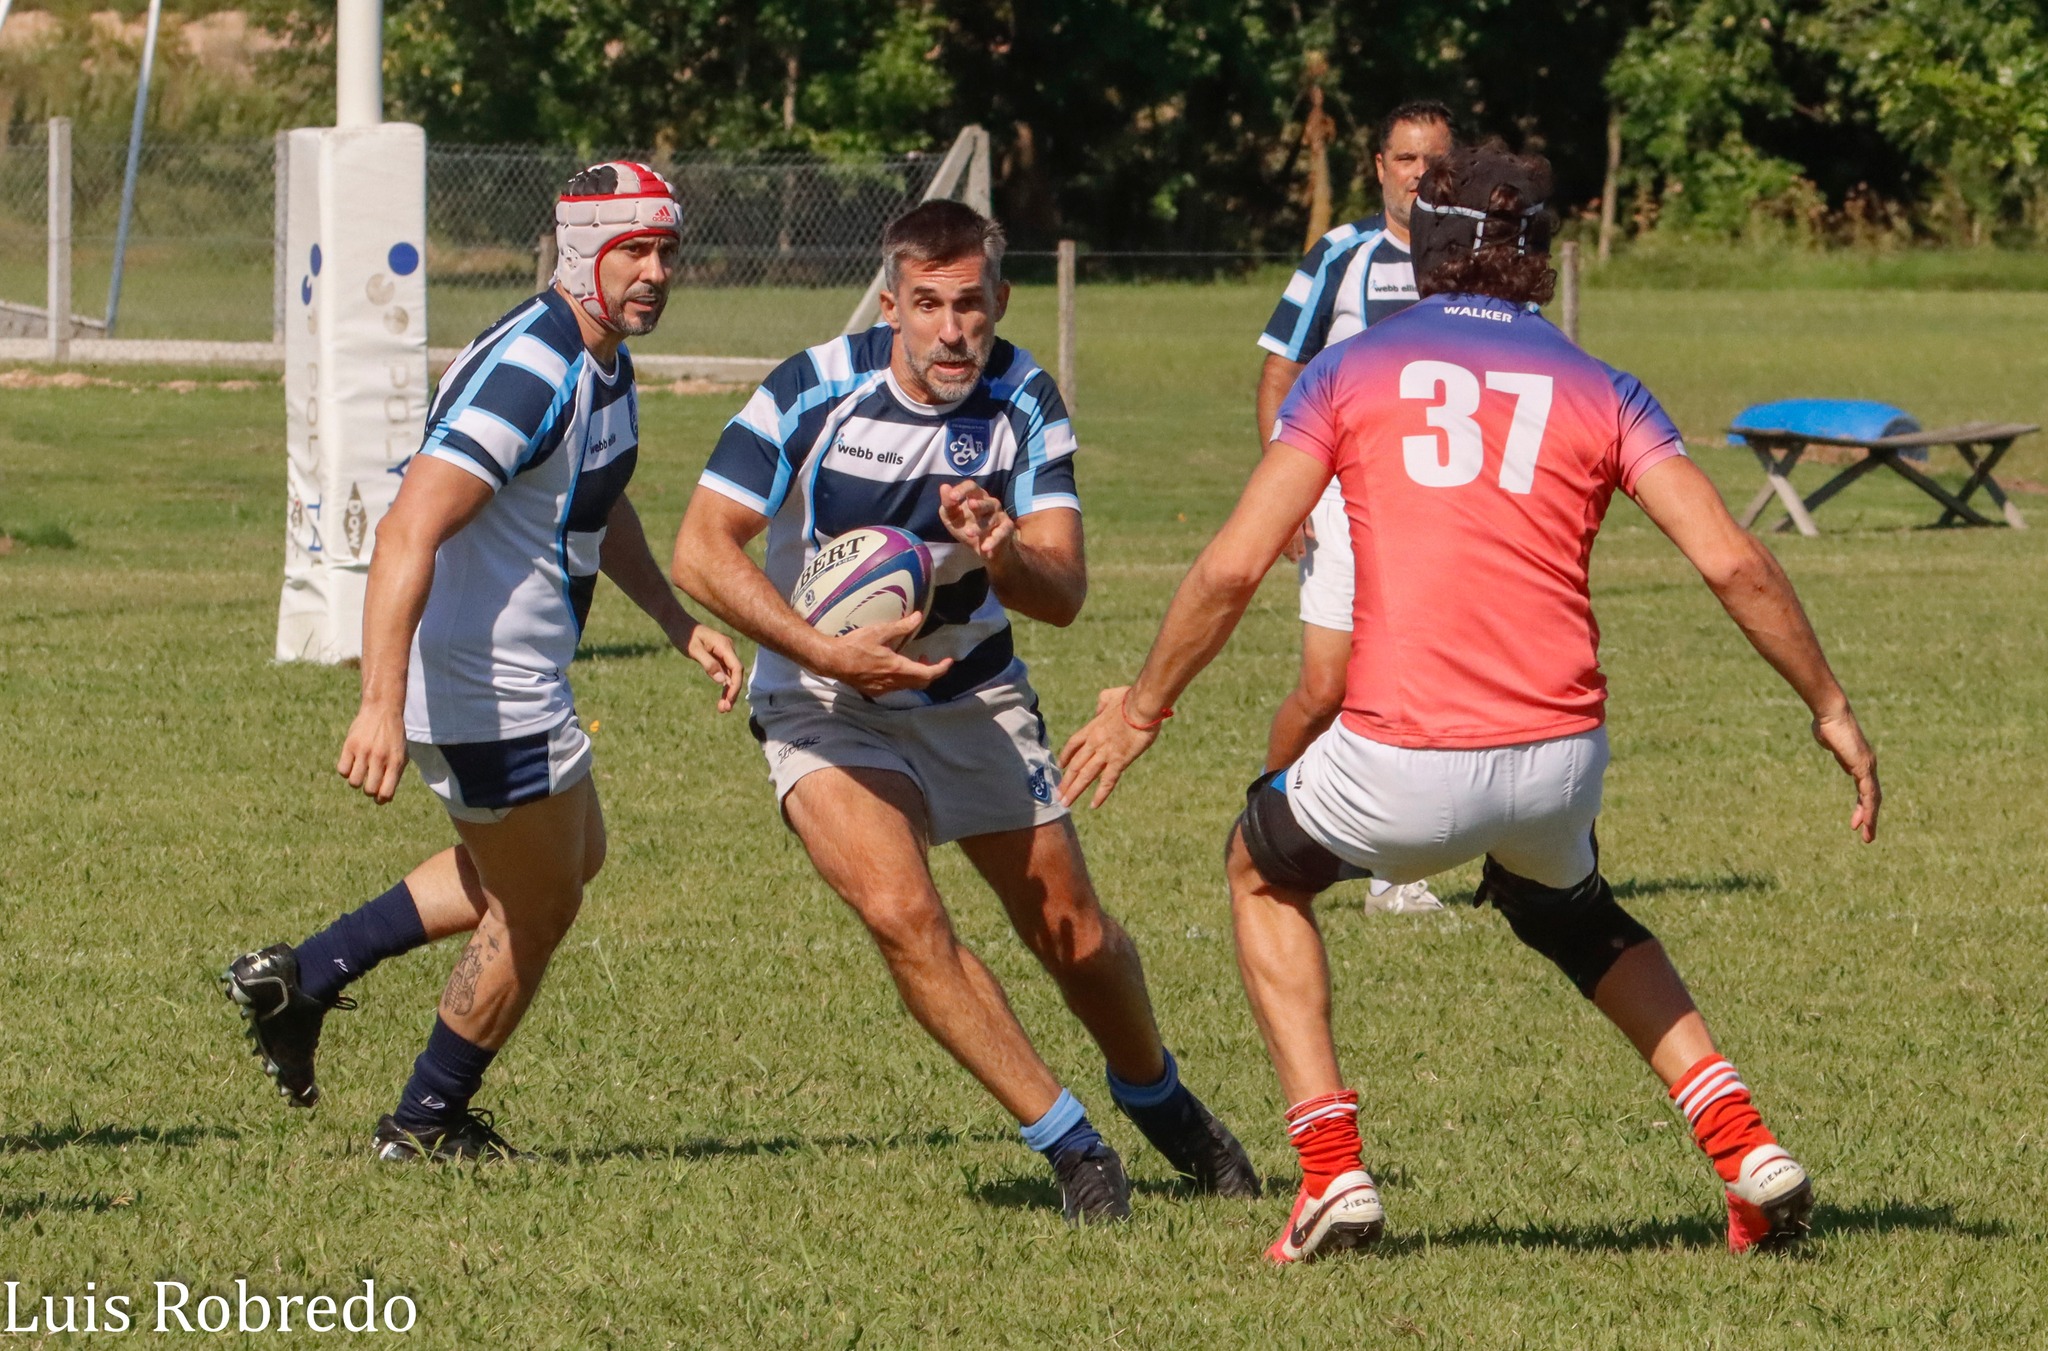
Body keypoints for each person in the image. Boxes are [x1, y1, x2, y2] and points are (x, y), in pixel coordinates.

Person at [1058, 144, 1880, 1262]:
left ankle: (1330, 1173)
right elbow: (1733, 563)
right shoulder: (1602, 382)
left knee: (1261, 868)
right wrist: (1826, 702)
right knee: (1571, 912)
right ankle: (1741, 1145)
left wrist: (1142, 709)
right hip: (1558, 761)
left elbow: (1227, 570)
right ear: (1540, 257)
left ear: (1425, 250)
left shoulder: (1349, 371)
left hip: (1403, 754)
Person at [669, 200, 1258, 1223]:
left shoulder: (1023, 399)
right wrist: (823, 652)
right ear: (890, 302)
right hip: (821, 699)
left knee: (1074, 936)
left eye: (971, 305)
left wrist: (999, 546)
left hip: (971, 689)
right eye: (929, 304)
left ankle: (1154, 1093)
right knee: (902, 916)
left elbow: (1062, 595)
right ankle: (1072, 1145)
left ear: (1000, 301)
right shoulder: (811, 388)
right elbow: (699, 548)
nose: (952, 329)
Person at [223, 163, 744, 1161]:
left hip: (519, 673)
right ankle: (424, 1121)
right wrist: (379, 702)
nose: (656, 272)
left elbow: (595, 495)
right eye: (635, 249)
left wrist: (676, 623)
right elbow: (409, 528)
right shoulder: (532, 365)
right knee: (537, 900)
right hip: (480, 681)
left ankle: (305, 976)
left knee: (566, 856)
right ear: (585, 250)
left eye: (667, 250)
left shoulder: (600, 359)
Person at [1255, 100, 1456, 914]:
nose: (1419, 176)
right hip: (1340, 496)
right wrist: (1284, 487)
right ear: (1379, 166)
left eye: (1434, 164)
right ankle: (1262, 822)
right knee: (1327, 685)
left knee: (1421, 682)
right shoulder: (1339, 256)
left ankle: (1396, 871)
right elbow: (1280, 372)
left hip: (1442, 508)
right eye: (1405, 160)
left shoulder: (1480, 256)